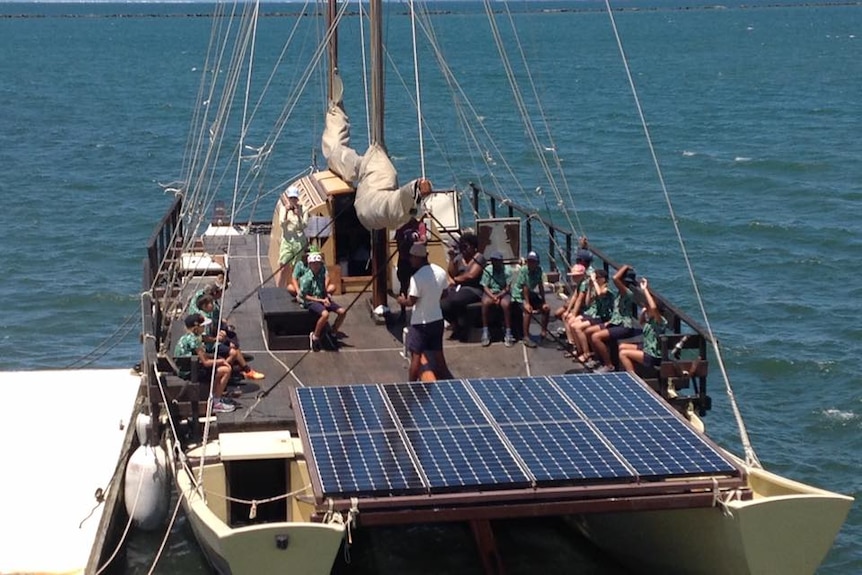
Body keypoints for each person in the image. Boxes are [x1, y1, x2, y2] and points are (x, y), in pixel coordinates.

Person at [396, 243, 453, 382]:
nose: (410, 260)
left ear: (418, 257)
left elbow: (412, 301)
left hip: (421, 324)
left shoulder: (416, 277)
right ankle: (450, 384)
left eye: (412, 257)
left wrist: (401, 300)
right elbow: (445, 293)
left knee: (416, 357)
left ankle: (411, 386)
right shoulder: (440, 271)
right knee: (439, 357)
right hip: (437, 320)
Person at [174, 314, 235, 413]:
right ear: (196, 328)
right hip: (191, 372)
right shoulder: (195, 340)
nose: (204, 328)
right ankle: (216, 402)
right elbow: (206, 362)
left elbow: (204, 347)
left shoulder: (187, 337)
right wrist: (222, 361)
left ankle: (213, 396)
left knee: (219, 368)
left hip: (185, 367)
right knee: (226, 370)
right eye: (203, 326)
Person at [195, 294, 265, 380]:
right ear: (205, 306)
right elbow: (203, 337)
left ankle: (246, 370)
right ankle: (223, 370)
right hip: (209, 346)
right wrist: (216, 339)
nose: (213, 305)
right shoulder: (203, 319)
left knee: (233, 345)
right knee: (233, 352)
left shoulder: (210, 315)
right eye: (211, 304)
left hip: (213, 341)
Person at [588, 264, 641, 373]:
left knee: (596, 337)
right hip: (616, 322)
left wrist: (625, 266)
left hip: (624, 326)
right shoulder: (621, 292)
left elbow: (615, 278)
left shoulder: (626, 292)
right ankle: (599, 359)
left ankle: (609, 365)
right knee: (590, 331)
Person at [441, 232, 486, 341]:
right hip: (459, 288)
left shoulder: (479, 258)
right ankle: (455, 324)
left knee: (456, 299)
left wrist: (456, 279)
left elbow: (471, 276)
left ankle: (463, 327)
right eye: (462, 246)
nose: (464, 249)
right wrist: (452, 258)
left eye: (466, 246)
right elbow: (451, 272)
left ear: (473, 246)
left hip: (474, 289)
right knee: (442, 302)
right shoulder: (459, 257)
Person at [298, 251, 346, 352]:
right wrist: (321, 300)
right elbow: (305, 296)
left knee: (342, 311)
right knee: (325, 314)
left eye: (318, 263)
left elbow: (323, 288)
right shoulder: (306, 279)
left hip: (322, 298)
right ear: (310, 265)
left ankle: (333, 331)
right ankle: (315, 336)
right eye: (314, 264)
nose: (316, 266)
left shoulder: (322, 274)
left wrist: (327, 297)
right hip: (311, 301)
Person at [619, 277, 668, 373]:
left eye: (647, 307)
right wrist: (643, 313)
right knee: (622, 346)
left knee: (623, 353)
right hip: (646, 348)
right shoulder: (651, 319)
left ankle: (633, 377)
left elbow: (653, 307)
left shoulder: (660, 321)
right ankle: (628, 370)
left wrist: (645, 289)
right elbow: (641, 322)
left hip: (652, 355)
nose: (646, 307)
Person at [568, 268, 614, 365]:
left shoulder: (606, 290)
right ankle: (580, 350)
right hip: (594, 314)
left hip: (603, 316)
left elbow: (600, 294)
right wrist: (589, 287)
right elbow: (588, 302)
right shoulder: (596, 288)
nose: (595, 279)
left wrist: (593, 281)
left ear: (603, 279)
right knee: (572, 324)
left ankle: (586, 353)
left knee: (578, 328)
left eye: (597, 278)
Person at [512, 251, 550, 348]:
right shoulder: (524, 270)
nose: (531, 264)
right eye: (529, 261)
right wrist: (527, 303)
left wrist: (543, 301)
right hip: (519, 294)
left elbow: (540, 285)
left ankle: (543, 332)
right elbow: (524, 287)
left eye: (533, 261)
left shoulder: (539, 270)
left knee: (546, 309)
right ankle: (526, 337)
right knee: (528, 311)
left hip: (529, 293)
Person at [394, 214, 427, 322]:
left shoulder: (420, 225)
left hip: (418, 261)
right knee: (404, 285)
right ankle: (403, 313)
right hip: (404, 260)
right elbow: (398, 243)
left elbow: (424, 240)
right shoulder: (400, 225)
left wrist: (416, 242)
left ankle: (422, 310)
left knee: (421, 284)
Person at [479, 251, 515, 347]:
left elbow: (507, 288)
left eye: (497, 260)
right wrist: (493, 296)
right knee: (485, 303)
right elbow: (485, 286)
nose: (495, 262)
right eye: (493, 260)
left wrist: (498, 296)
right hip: (491, 292)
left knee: (506, 305)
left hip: (503, 292)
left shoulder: (508, 270)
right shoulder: (488, 269)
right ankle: (485, 331)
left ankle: (508, 332)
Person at [276, 185, 308, 290]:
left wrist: (298, 215)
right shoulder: (283, 209)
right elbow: (282, 224)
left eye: (295, 198)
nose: (293, 200)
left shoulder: (304, 209)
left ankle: (296, 289)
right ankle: (278, 289)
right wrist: (286, 214)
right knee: (283, 265)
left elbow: (304, 225)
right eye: (291, 198)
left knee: (297, 267)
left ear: (297, 199)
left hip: (299, 242)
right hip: (288, 240)